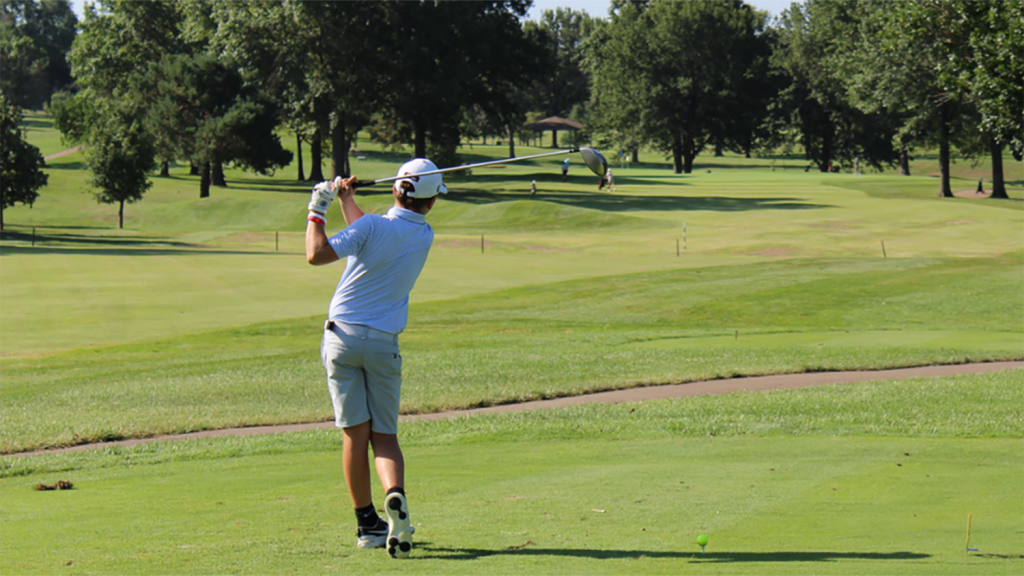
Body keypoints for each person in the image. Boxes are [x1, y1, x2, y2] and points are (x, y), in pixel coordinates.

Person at [305, 158, 447, 559]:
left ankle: (368, 523)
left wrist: (319, 207)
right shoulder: (423, 235)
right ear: (431, 201)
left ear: (395, 188)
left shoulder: (370, 228)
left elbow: (317, 254)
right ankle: (395, 496)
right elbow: (373, 231)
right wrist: (348, 200)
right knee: (384, 435)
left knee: (355, 432)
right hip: (384, 343)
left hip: (343, 339)